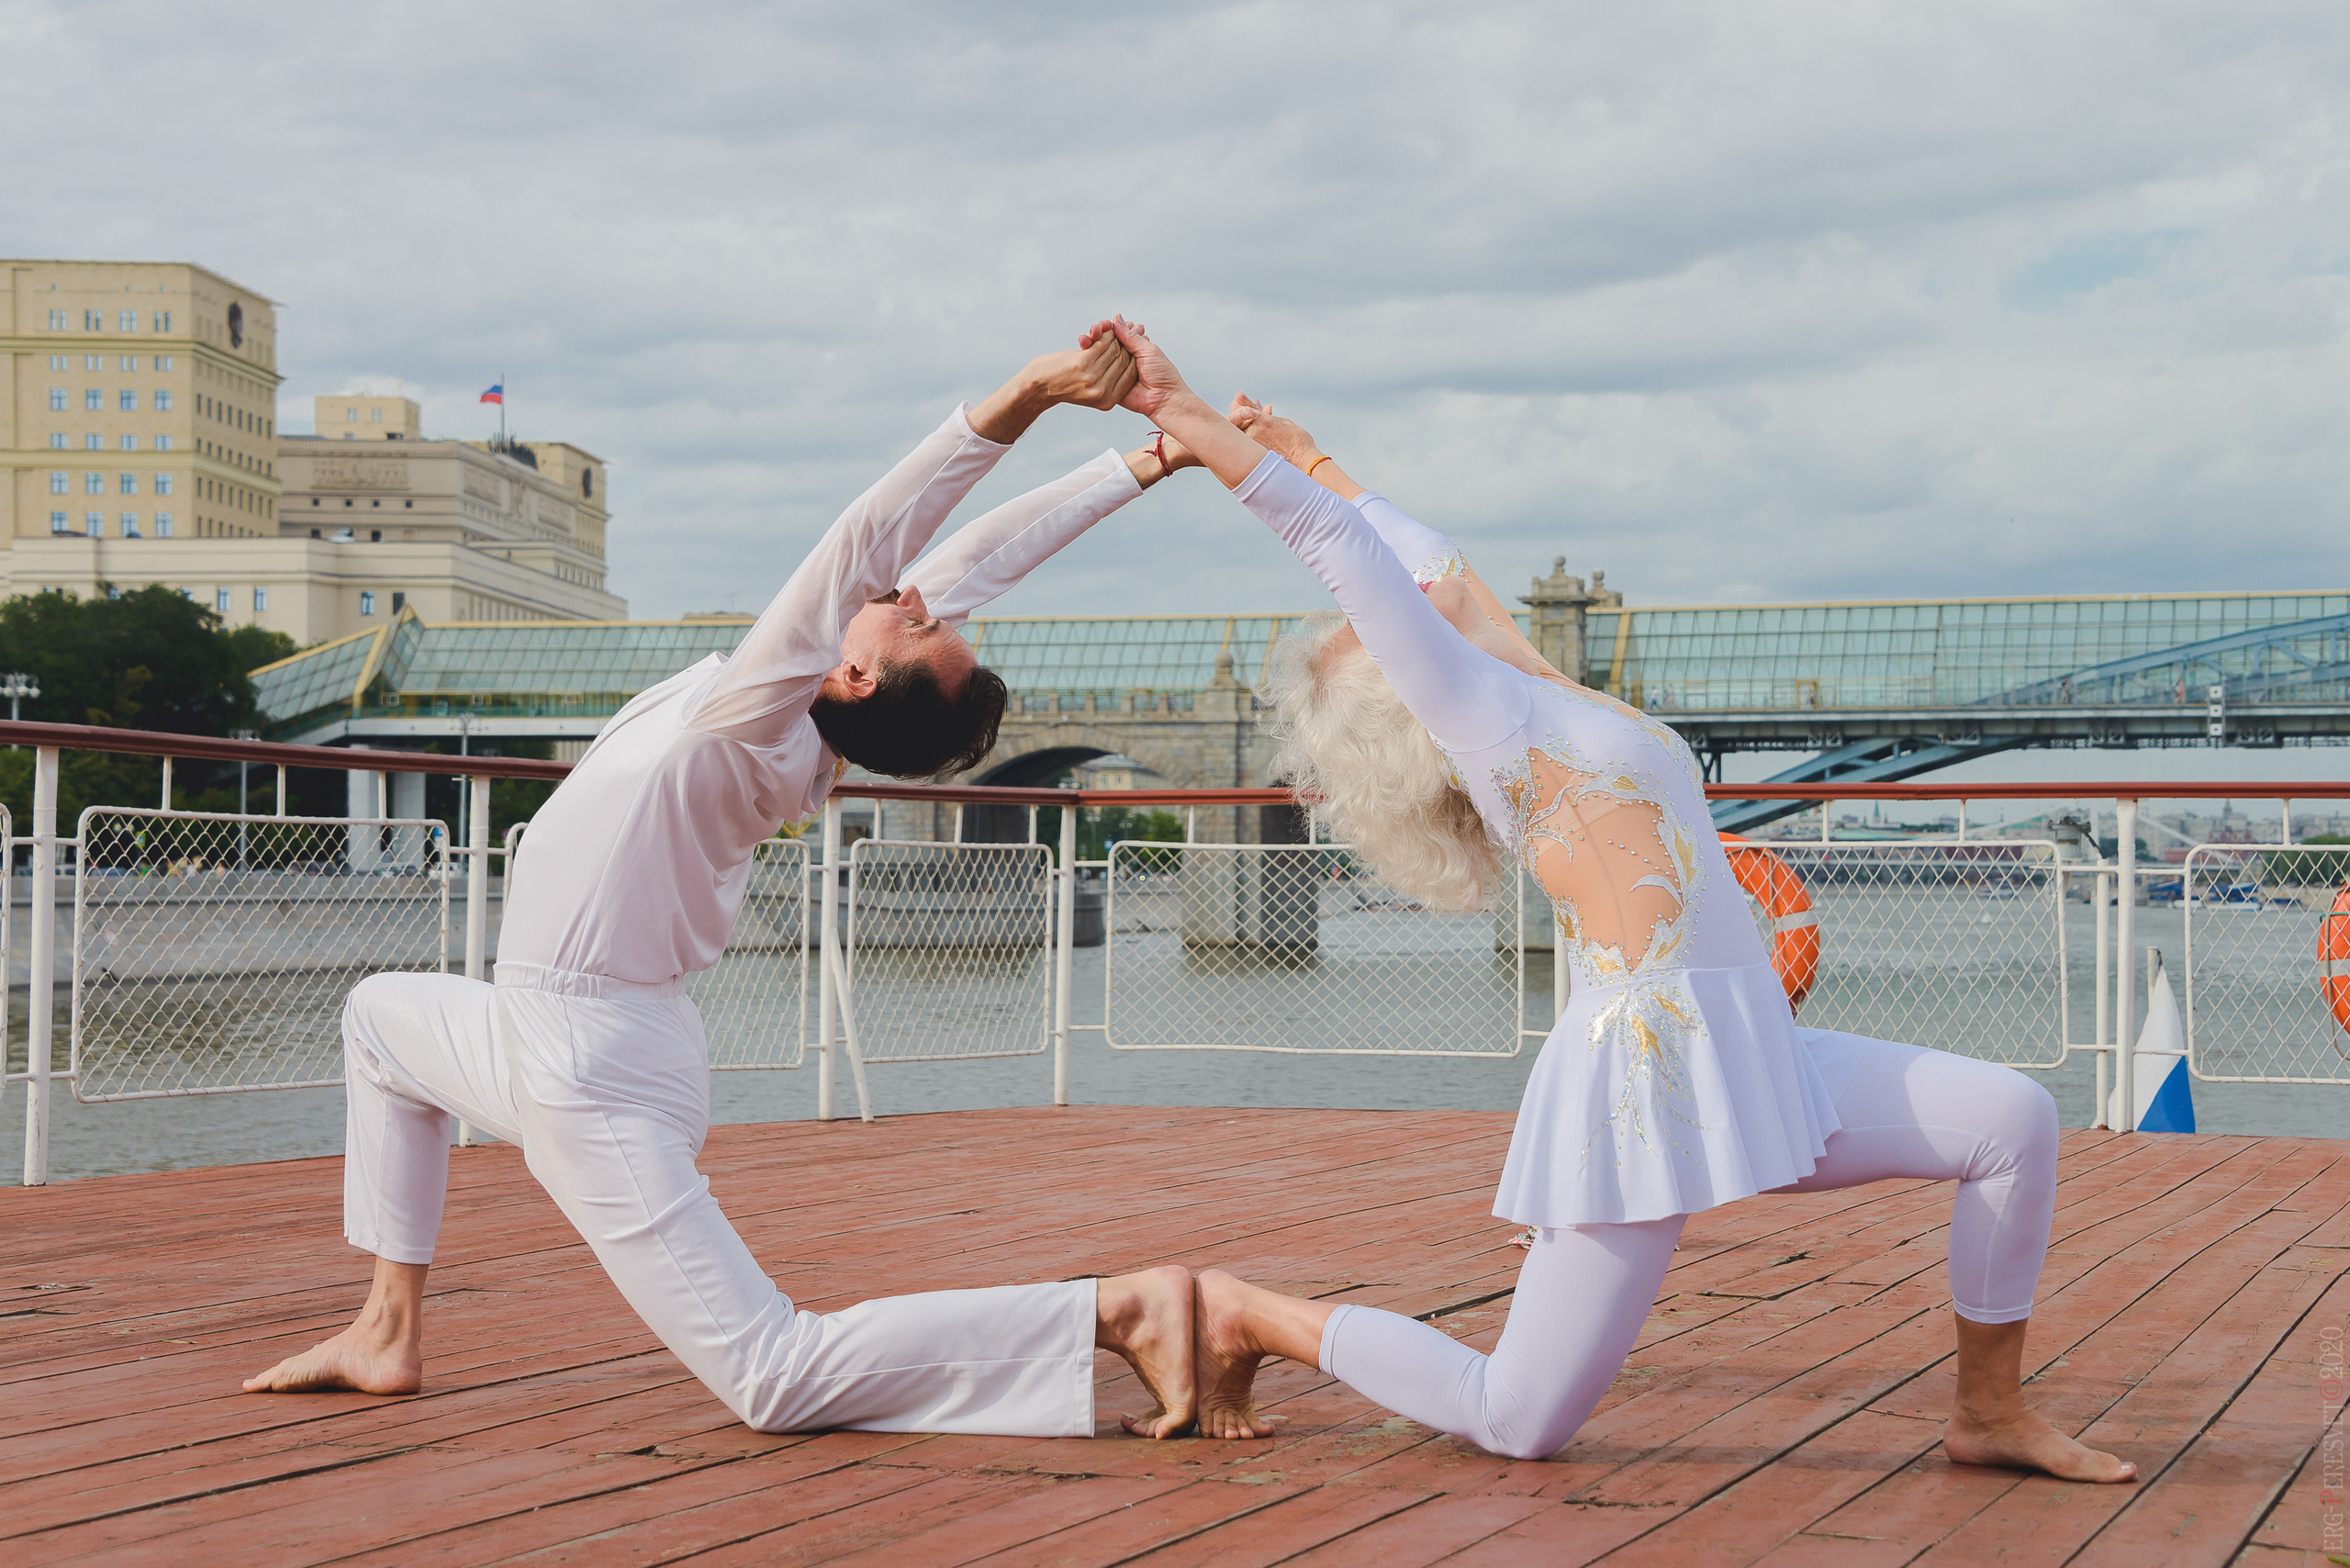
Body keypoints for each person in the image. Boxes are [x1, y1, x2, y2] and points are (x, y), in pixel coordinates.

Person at [1087, 317, 2134, 1483]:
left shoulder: (1538, 685)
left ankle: (1989, 1411)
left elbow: (1428, 562)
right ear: (1399, 685)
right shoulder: (1485, 720)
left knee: (2011, 1120)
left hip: (1756, 1050)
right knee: (1517, 1417)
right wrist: (1180, 413)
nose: (1404, 603)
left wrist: (1309, 450)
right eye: (1371, 626)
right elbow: (1347, 553)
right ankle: (1247, 1316)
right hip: (1641, 1079)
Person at [245, 333, 1205, 1441]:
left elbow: (873, 529)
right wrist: (1144, 464)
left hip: (590, 1068)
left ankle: (1108, 1313)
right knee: (378, 1016)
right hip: (552, 1027)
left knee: (773, 1376)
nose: (915, 593)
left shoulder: (750, 721)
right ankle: (385, 1329)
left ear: (854, 672)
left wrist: (1028, 393)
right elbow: (982, 555)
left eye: (916, 620)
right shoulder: (802, 719)